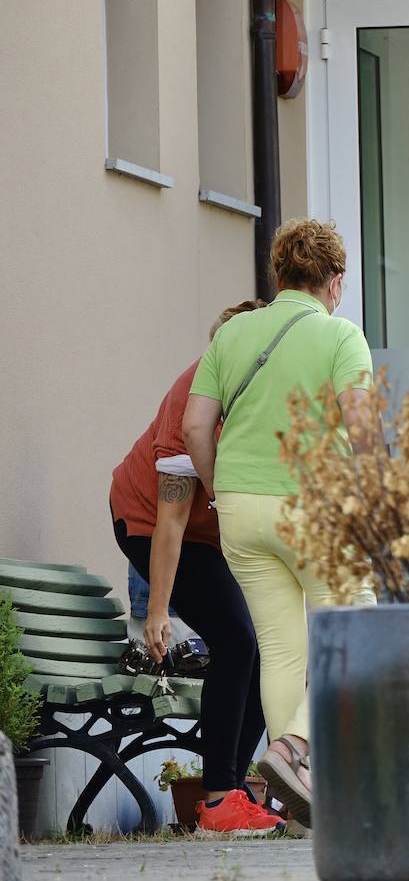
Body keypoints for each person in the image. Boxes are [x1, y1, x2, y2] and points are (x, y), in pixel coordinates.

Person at [183, 219, 378, 828]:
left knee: (282, 649)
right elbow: (365, 433)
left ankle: (298, 808)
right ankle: (295, 749)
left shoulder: (234, 333)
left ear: (279, 275)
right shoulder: (341, 337)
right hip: (315, 506)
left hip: (240, 509)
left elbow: (194, 427)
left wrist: (222, 490)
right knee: (358, 632)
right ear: (335, 281)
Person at [110, 300, 283, 837]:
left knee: (262, 643)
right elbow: (171, 520)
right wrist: (157, 610)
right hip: (149, 522)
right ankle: (217, 801)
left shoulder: (265, 395)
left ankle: (234, 789)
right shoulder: (194, 405)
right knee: (235, 637)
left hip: (214, 536)